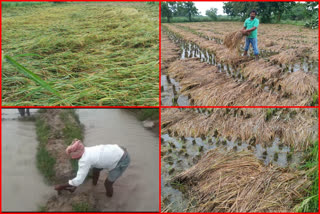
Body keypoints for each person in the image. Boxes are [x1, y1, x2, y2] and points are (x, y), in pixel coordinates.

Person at [54, 139, 130, 197]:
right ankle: (94, 184)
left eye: (73, 157)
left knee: (108, 184)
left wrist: (61, 186)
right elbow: (81, 176)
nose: (72, 158)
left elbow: (79, 180)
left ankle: (109, 198)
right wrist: (75, 185)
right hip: (116, 150)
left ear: (76, 157)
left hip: (122, 159)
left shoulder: (84, 160)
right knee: (96, 169)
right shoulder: (86, 150)